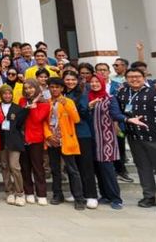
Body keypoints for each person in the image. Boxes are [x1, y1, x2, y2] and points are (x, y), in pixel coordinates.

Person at [116, 67, 156, 213]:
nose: (134, 79)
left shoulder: (155, 89)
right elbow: (118, 111)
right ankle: (149, 196)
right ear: (126, 78)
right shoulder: (123, 92)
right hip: (135, 136)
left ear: (144, 77)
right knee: (143, 167)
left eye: (137, 76)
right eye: (130, 77)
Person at [45, 76, 86, 210]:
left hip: (66, 139)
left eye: (57, 87)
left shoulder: (68, 101)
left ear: (62, 88)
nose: (54, 89)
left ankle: (79, 198)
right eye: (52, 87)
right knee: (55, 169)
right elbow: (44, 122)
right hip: (53, 140)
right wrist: (49, 136)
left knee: (72, 170)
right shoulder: (47, 102)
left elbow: (76, 119)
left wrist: (66, 104)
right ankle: (57, 194)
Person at [87, 73, 127, 210]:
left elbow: (115, 114)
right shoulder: (88, 98)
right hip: (91, 139)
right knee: (97, 169)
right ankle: (104, 195)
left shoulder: (110, 98)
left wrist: (127, 119)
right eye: (91, 82)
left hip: (106, 138)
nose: (94, 84)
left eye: (97, 82)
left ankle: (116, 198)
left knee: (107, 168)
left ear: (102, 83)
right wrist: (89, 106)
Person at [63, 69, 99, 208]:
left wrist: (88, 107)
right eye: (67, 79)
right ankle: (76, 192)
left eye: (73, 79)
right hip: (68, 133)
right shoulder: (63, 93)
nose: (70, 82)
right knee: (72, 165)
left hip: (81, 133)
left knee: (86, 165)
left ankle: (91, 195)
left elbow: (83, 113)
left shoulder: (82, 94)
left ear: (77, 80)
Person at [19, 78, 50, 206]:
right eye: (26, 88)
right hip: (22, 138)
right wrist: (28, 105)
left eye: (31, 88)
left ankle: (41, 193)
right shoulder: (22, 101)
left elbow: (37, 119)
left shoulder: (45, 103)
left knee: (38, 167)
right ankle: (29, 192)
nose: (28, 90)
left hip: (36, 138)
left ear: (36, 88)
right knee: (25, 168)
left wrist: (34, 105)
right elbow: (20, 117)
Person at [0, 84, 27, 206]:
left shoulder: (17, 108)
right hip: (1, 140)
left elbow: (20, 125)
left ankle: (20, 192)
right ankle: (9, 191)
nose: (7, 95)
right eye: (5, 93)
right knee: (4, 166)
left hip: (14, 141)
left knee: (14, 166)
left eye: (9, 93)